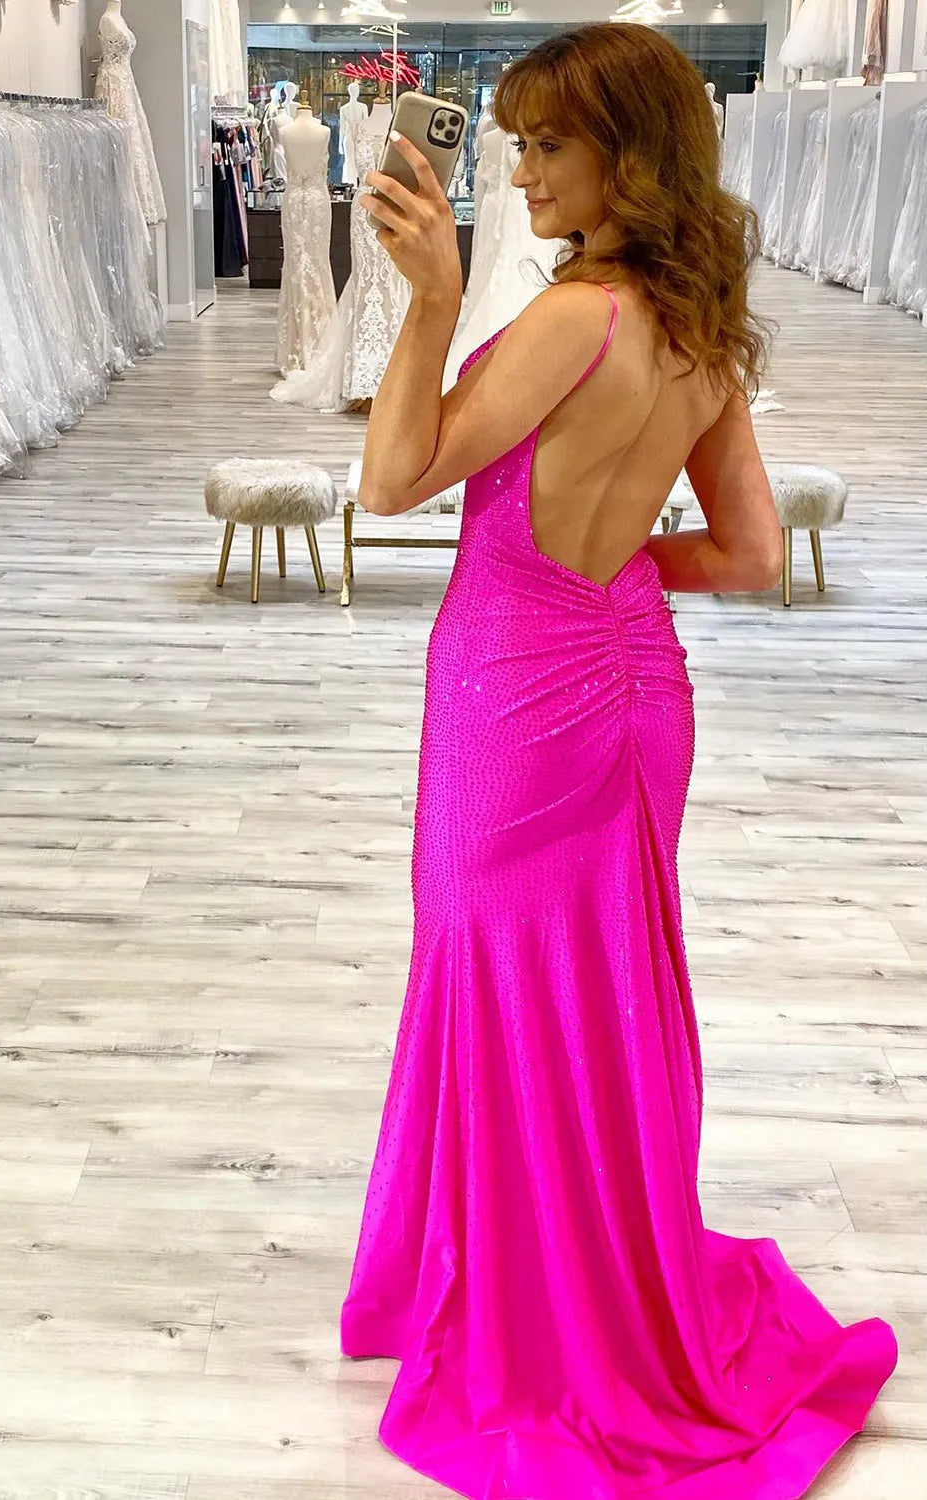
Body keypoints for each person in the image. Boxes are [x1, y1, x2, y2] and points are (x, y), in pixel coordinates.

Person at [338, 24, 899, 1500]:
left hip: (516, 694)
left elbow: (394, 478)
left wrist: (432, 301)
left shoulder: (575, 316)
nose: (522, 171)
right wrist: (628, 568)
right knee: (608, 991)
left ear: (628, 160)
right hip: (639, 688)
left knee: (500, 981)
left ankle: (538, 1312)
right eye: (516, 143)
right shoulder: (697, 333)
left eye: (549, 145)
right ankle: (613, 1275)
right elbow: (754, 554)